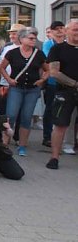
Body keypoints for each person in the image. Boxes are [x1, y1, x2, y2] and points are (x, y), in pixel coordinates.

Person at [0, 27, 47, 157]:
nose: (33, 41)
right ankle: (5, 143)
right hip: (16, 88)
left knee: (26, 117)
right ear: (22, 39)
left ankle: (22, 145)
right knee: (11, 115)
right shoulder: (12, 53)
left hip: (32, 89)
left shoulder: (39, 54)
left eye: (34, 38)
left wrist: (42, 80)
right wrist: (9, 79)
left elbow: (47, 69)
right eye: (30, 38)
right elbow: (1, 67)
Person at [45, 19, 78, 170]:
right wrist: (75, 84)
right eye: (75, 29)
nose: (77, 33)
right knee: (60, 125)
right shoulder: (57, 49)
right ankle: (54, 158)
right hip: (65, 91)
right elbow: (54, 72)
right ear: (66, 31)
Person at [41, 21, 65, 148]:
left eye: (62, 28)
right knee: (50, 109)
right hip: (52, 82)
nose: (60, 31)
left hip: (66, 82)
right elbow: (48, 59)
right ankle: (47, 136)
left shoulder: (68, 44)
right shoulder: (48, 44)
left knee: (65, 111)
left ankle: (63, 139)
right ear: (52, 31)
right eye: (57, 29)